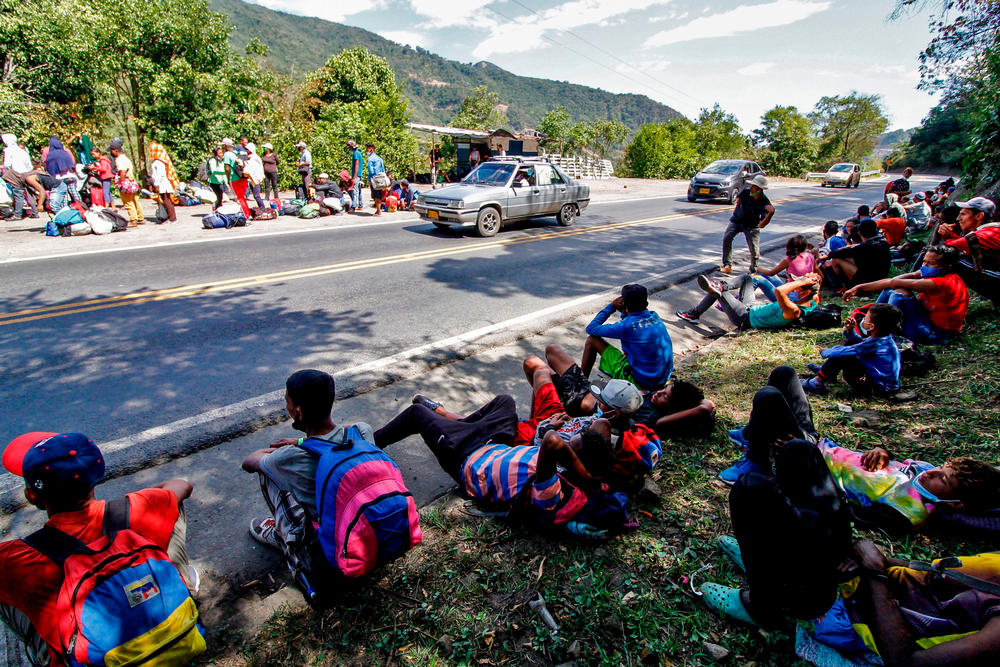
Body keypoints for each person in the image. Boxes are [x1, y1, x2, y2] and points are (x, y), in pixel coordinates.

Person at [0, 432, 200, 666]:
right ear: (97, 475)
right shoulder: (140, 508)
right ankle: (182, 586)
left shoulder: (15, 557)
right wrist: (144, 497)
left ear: (31, 496)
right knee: (171, 506)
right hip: (170, 637)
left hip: (94, 659)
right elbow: (182, 486)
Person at [374, 387, 615, 526]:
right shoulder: (560, 464)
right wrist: (548, 427)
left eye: (569, 445)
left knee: (416, 413)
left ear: (574, 461)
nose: (564, 441)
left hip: (466, 457)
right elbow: (551, 440)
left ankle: (368, 445)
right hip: (496, 445)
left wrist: (584, 473)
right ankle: (451, 420)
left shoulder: (552, 491)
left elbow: (552, 443)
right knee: (505, 402)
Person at [242, 370, 377, 560]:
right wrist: (301, 441)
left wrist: (294, 447)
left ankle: (284, 537)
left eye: (287, 401)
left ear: (298, 412)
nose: (286, 406)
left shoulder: (289, 457)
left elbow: (248, 462)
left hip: (333, 545)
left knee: (268, 471)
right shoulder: (362, 432)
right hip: (370, 524)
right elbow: (343, 429)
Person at [818, 440, 1000, 532]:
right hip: (823, 444)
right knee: (788, 374)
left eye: (943, 479)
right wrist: (880, 452)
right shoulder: (924, 469)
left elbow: (847, 512)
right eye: (941, 467)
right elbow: (894, 462)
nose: (931, 472)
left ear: (954, 503)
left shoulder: (908, 512)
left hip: (816, 467)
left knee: (797, 446)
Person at [844, 244, 969, 346]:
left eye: (930, 264)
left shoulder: (941, 282)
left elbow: (894, 282)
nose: (924, 266)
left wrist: (859, 287)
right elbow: (893, 282)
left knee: (900, 293)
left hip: (935, 335)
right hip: (925, 321)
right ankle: (872, 326)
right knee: (891, 290)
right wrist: (859, 287)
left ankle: (883, 333)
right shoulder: (938, 273)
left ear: (946, 267)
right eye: (924, 262)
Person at [581, 284, 674, 392]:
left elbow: (591, 328)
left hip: (641, 384)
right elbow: (632, 319)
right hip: (661, 379)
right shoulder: (654, 316)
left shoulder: (627, 327)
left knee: (592, 340)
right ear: (646, 304)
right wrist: (625, 311)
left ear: (624, 305)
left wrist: (611, 306)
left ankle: (581, 384)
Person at [801, 302, 902, 396]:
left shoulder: (875, 344)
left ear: (871, 327)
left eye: (866, 318)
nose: (863, 320)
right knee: (853, 341)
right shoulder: (885, 339)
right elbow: (861, 344)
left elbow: (844, 352)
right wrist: (851, 331)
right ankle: (827, 372)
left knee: (843, 355)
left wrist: (826, 351)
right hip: (884, 385)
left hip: (877, 388)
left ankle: (816, 383)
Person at [677, 272, 819, 331]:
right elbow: (816, 293)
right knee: (747, 278)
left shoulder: (793, 310)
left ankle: (694, 314)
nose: (793, 287)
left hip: (744, 318)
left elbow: (779, 291)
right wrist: (812, 280)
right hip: (751, 308)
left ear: (805, 293)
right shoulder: (813, 302)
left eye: (797, 286)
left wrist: (803, 281)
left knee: (719, 293)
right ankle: (720, 285)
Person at [937, 196, 999, 306]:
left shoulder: (984, 235)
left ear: (979, 216)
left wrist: (946, 235)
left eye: (963, 214)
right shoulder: (991, 230)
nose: (958, 219)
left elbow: (948, 249)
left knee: (949, 257)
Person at [720, 174, 773, 274]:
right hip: (737, 220)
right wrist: (737, 213)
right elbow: (738, 201)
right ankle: (727, 265)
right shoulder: (745, 192)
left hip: (751, 225)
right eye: (752, 186)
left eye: (755, 187)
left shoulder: (764, 202)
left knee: (754, 249)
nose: (752, 188)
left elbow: (761, 225)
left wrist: (770, 213)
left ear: (760, 189)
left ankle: (753, 269)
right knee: (727, 238)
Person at [824, 219, 891, 289]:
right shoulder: (884, 242)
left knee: (836, 260)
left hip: (868, 281)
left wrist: (848, 247)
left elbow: (833, 253)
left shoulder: (862, 247)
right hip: (882, 278)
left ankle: (845, 287)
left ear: (859, 233)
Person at [753, 234, 815, 302]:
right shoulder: (810, 256)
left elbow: (771, 273)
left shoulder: (789, 260)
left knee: (757, 279)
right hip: (802, 293)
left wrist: (756, 268)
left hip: (790, 298)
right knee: (762, 273)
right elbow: (817, 270)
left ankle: (745, 302)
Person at [110, 143, 142, 226]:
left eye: (112, 150)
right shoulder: (125, 158)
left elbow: (122, 172)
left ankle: (133, 220)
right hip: (132, 182)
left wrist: (122, 184)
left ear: (116, 151)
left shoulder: (119, 159)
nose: (111, 152)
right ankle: (140, 218)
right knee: (135, 200)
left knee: (128, 202)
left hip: (126, 183)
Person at [148, 140, 179, 223]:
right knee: (166, 200)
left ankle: (172, 218)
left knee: (166, 200)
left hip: (162, 184)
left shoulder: (159, 162)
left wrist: (156, 185)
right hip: (162, 183)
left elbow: (160, 175)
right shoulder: (159, 161)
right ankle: (170, 217)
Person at [44, 136, 80, 205]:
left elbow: (50, 168)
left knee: (64, 196)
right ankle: (81, 206)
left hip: (60, 178)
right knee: (74, 193)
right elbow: (72, 163)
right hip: (71, 176)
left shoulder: (51, 155)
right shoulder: (65, 152)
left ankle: (65, 210)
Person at [222, 137, 251, 219]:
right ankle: (247, 213)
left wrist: (227, 180)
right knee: (242, 197)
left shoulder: (227, 154)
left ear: (225, 146)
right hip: (243, 177)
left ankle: (245, 215)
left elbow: (227, 168)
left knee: (239, 198)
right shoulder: (236, 153)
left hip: (235, 179)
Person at [366, 143, 387, 217]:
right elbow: (383, 169)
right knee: (379, 194)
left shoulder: (370, 159)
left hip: (374, 179)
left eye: (367, 148)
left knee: (375, 195)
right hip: (381, 178)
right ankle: (378, 210)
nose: (366, 150)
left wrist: (370, 179)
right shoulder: (379, 158)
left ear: (371, 149)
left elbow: (371, 171)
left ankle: (378, 211)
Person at [245, 143, 266, 208]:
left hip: (256, 178)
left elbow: (255, 169)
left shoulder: (254, 158)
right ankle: (261, 207)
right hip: (252, 178)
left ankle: (262, 208)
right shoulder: (251, 158)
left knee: (256, 195)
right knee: (255, 195)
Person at [347, 139, 364, 212]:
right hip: (359, 174)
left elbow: (356, 165)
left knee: (355, 191)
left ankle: (353, 207)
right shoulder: (358, 153)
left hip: (356, 175)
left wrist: (354, 177)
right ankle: (360, 204)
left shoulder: (356, 154)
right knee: (359, 190)